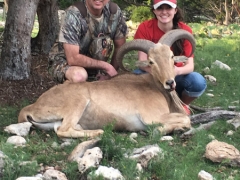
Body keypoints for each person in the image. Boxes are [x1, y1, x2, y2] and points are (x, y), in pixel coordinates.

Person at [133, 0, 207, 114]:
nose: (164, 12)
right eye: (160, 8)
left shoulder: (185, 30)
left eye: (168, 8)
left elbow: (190, 66)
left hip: (176, 76)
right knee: (134, 79)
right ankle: (154, 105)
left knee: (197, 81)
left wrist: (174, 72)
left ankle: (182, 104)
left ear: (175, 10)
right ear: (154, 10)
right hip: (153, 73)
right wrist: (160, 74)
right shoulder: (144, 28)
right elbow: (142, 61)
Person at [48, 0, 128, 83]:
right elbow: (72, 58)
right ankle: (67, 92)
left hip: (95, 65)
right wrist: (106, 66)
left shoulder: (114, 12)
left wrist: (109, 75)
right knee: (79, 76)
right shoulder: (73, 14)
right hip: (65, 62)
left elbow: (120, 47)